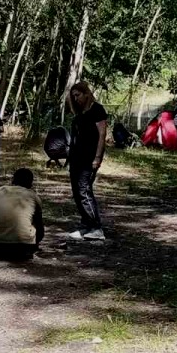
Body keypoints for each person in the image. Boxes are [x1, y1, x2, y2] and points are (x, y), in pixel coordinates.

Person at [0, 168, 44, 261]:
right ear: (30, 183)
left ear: (13, 180)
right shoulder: (33, 196)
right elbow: (40, 226)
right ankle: (28, 247)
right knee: (35, 221)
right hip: (23, 247)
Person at [67, 81, 108, 241]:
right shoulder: (79, 113)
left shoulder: (97, 110)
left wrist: (97, 158)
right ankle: (86, 226)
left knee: (84, 190)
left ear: (86, 94)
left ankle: (96, 227)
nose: (75, 98)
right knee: (77, 192)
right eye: (74, 96)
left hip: (89, 158)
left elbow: (102, 135)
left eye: (78, 95)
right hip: (76, 157)